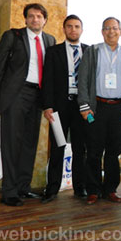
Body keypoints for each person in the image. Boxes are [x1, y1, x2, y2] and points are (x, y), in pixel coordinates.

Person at [0, 3, 56, 206]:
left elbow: (52, 73)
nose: (35, 19)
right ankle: (9, 191)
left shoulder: (50, 40)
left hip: (38, 97)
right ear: (25, 19)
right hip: (16, 95)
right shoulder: (13, 36)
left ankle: (23, 187)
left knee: (29, 144)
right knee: (11, 144)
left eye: (39, 16)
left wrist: (49, 102)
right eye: (31, 16)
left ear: (45, 20)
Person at [77, 17, 121, 205]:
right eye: (107, 28)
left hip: (119, 109)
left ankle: (110, 190)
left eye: (115, 28)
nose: (111, 31)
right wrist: (85, 106)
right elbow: (84, 79)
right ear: (102, 32)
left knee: (114, 151)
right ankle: (93, 190)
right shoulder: (92, 51)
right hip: (97, 108)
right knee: (94, 151)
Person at [40, 15, 89, 203]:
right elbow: (48, 81)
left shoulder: (89, 51)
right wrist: (48, 106)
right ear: (64, 29)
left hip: (81, 107)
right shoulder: (53, 52)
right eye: (69, 26)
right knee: (58, 146)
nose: (73, 30)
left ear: (81, 30)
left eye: (77, 26)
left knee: (80, 148)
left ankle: (80, 187)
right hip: (60, 108)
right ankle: (52, 189)